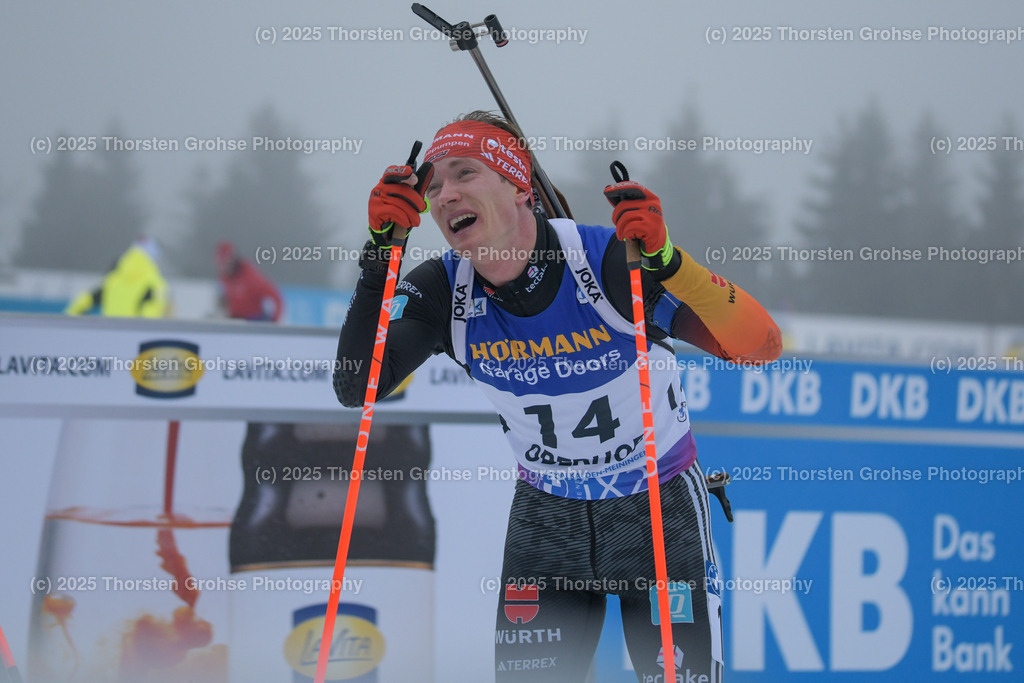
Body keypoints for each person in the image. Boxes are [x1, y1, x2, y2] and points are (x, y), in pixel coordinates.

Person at [334, 111, 782, 682]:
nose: (444, 195)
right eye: (434, 184)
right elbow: (356, 386)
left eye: (464, 173)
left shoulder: (606, 262)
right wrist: (381, 256)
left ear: (520, 186)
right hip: (546, 520)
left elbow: (760, 347)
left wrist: (668, 261)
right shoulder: (442, 288)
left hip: (655, 506)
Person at [65, 236, 169, 318]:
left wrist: (70, 322)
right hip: (135, 339)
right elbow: (150, 317)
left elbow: (83, 301)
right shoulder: (155, 283)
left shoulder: (112, 278)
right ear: (155, 258)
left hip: (110, 336)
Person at [215, 241, 284, 322]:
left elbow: (276, 296)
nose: (222, 266)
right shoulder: (224, 276)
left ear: (232, 260)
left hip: (253, 320)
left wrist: (274, 320)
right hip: (235, 319)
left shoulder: (250, 276)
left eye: (224, 262)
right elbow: (225, 297)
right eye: (220, 263)